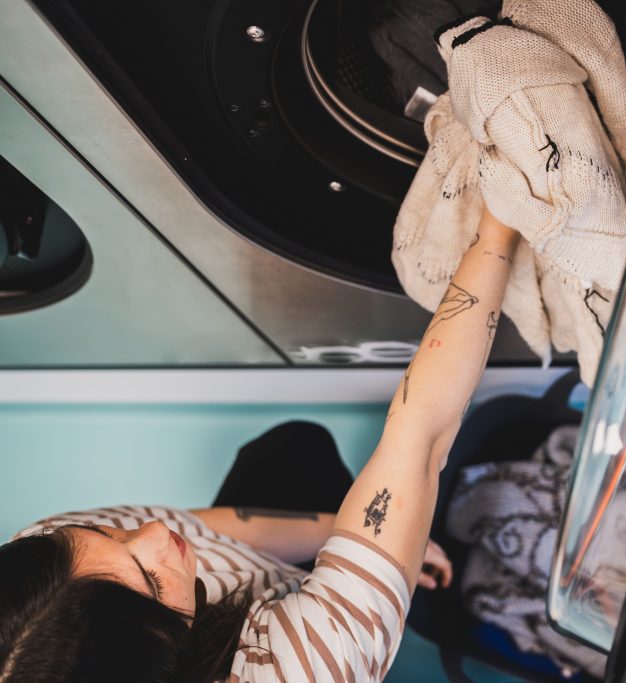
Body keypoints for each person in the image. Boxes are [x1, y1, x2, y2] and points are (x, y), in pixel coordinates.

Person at [0, 208, 521, 682]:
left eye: (104, 532)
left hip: (258, 583)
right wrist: (497, 231)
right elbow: (422, 435)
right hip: (290, 629)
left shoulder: (46, 570)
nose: (153, 532)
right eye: (152, 582)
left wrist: (333, 533)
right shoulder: (307, 667)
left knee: (294, 447)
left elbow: (198, 529)